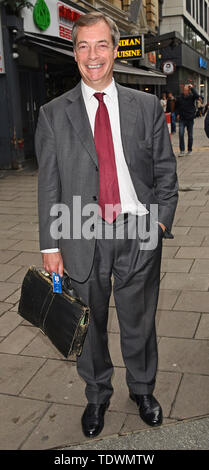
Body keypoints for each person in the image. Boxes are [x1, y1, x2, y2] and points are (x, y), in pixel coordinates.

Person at [35, 12, 178, 439]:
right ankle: (97, 395)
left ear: (115, 50)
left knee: (140, 321)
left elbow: (166, 174)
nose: (93, 56)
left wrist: (160, 226)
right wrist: (50, 246)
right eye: (83, 46)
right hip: (80, 235)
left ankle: (142, 389)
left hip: (137, 232)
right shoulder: (52, 114)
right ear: (74, 53)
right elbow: (49, 187)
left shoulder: (147, 106)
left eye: (101, 45)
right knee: (88, 324)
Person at [175, 84, 200, 156]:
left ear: (189, 91)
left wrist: (192, 88)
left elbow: (197, 96)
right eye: (184, 90)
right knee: (181, 134)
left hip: (190, 119)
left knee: (190, 135)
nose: (185, 91)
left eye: (187, 90)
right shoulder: (179, 98)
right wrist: (177, 114)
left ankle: (189, 150)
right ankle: (182, 150)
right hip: (182, 119)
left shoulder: (192, 97)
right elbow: (176, 107)